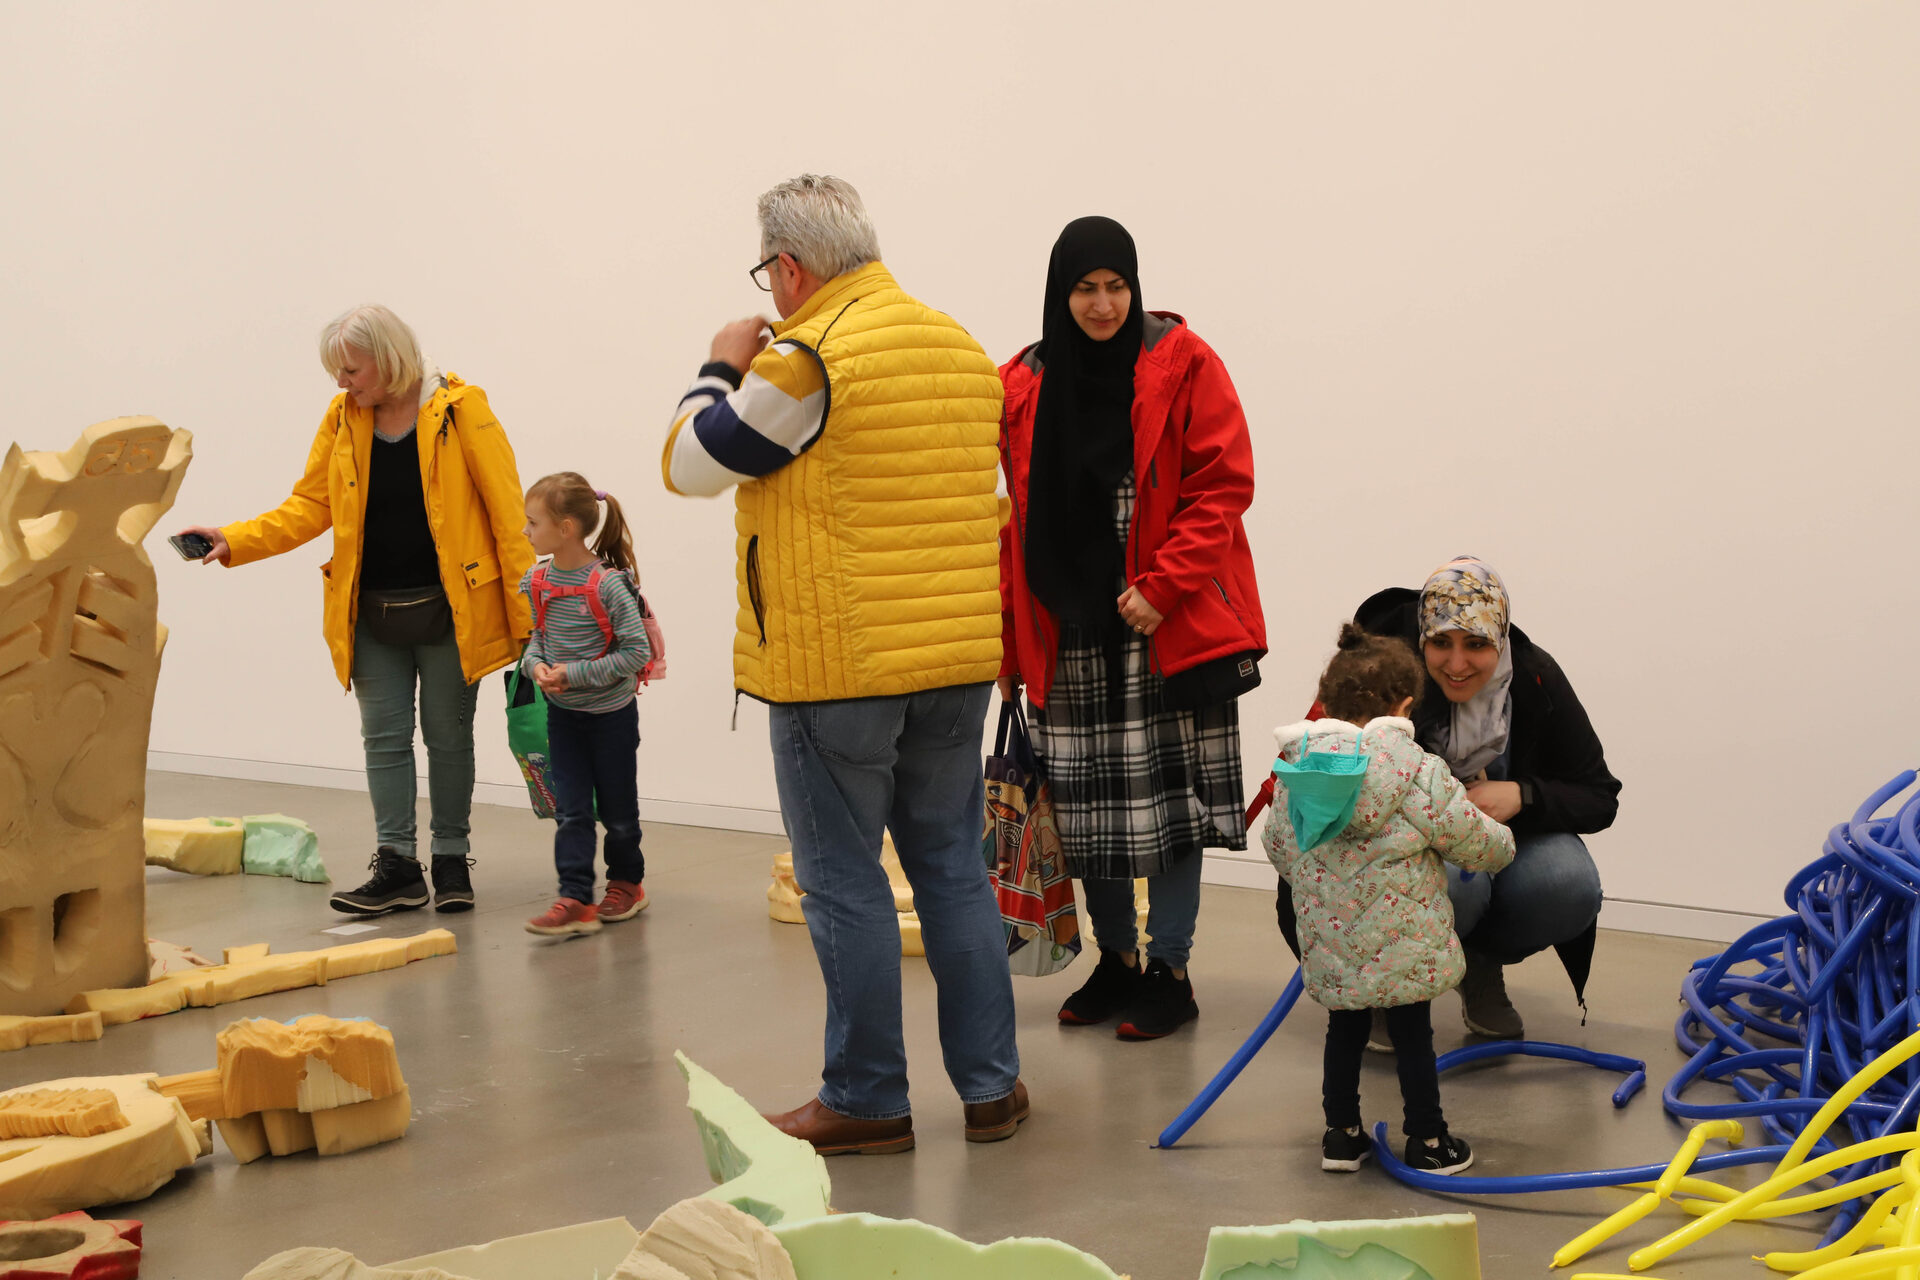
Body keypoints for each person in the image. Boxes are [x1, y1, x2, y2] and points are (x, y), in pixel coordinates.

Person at [661, 175, 1025, 1153]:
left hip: (838, 670)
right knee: (953, 868)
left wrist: (718, 365)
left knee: (845, 882)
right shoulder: (957, 346)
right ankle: (992, 1088)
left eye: (768, 273)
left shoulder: (807, 357)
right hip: (953, 659)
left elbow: (692, 463)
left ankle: (867, 1099)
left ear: (789, 266)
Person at [997, 216, 1265, 1040]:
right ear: (1060, 292)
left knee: (1171, 806)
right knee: (1085, 808)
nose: (1103, 305)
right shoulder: (1023, 382)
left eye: (1116, 287)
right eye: (1085, 288)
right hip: (1069, 627)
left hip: (1164, 622)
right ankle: (1116, 961)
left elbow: (1222, 486)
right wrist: (1009, 643)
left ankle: (1170, 971)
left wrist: (1162, 586)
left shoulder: (1183, 362)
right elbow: (1012, 524)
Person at [177, 304, 535, 916]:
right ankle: (398, 867)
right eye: (337, 371)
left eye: (351, 370)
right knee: (384, 740)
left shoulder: (461, 409)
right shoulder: (342, 417)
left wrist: (531, 614)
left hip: (453, 610)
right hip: (368, 610)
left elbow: (508, 515)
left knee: (448, 738)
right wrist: (234, 539)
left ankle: (451, 859)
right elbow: (310, 505)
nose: (341, 382)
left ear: (390, 360)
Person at [1278, 557, 1619, 1041]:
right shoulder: (1382, 674)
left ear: (1500, 639)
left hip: (1488, 840)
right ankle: (1383, 988)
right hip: (1390, 863)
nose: (1457, 665)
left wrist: (1522, 794)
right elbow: (1310, 809)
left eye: (1476, 644)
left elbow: (1600, 795)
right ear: (1421, 640)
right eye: (1441, 643)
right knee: (1459, 882)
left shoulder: (1535, 675)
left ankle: (1478, 964)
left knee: (1568, 882)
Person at [1265, 624, 1515, 1176]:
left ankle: (1341, 1137)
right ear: (1404, 706)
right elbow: (1470, 838)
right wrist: (1504, 847)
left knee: (1343, 1034)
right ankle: (1428, 1140)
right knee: (1413, 1039)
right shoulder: (1419, 773)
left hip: (1334, 945)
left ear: (1328, 703)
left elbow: (1279, 847)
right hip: (1404, 947)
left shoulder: (1297, 775)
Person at [518, 472, 654, 938]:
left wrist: (570, 674)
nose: (526, 531)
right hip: (564, 718)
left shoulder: (608, 585)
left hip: (611, 718)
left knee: (618, 811)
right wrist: (535, 667)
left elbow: (636, 653)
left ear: (566, 528)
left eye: (533, 522)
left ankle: (627, 884)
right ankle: (575, 897)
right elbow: (536, 639)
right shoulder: (537, 579)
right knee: (571, 810)